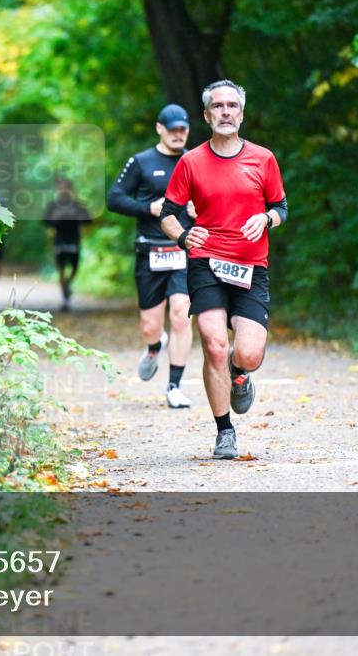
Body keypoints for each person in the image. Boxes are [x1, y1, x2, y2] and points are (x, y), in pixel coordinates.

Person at [160, 80, 288, 459]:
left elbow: (282, 208)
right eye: (218, 106)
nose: (226, 112)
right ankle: (224, 431)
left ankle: (240, 372)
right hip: (207, 264)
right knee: (214, 344)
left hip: (251, 266)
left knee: (247, 352)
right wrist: (184, 237)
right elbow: (169, 214)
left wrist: (265, 220)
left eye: (232, 106)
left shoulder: (263, 159)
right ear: (206, 115)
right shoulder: (191, 162)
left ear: (242, 114)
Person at [107, 104, 196, 409]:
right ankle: (154, 345)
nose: (177, 135)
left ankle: (174, 385)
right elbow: (114, 198)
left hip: (184, 250)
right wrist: (149, 208)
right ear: (160, 128)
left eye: (182, 129)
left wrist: (201, 211)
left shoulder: (195, 161)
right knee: (150, 325)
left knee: (182, 313)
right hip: (150, 250)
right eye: (172, 129)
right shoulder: (141, 162)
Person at [43, 177, 92, 311]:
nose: (63, 189)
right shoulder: (53, 205)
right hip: (59, 239)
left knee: (75, 268)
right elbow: (45, 221)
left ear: (70, 189)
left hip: (74, 239)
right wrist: (54, 219)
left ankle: (67, 284)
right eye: (61, 187)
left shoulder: (77, 204)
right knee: (61, 268)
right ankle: (65, 298)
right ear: (58, 189)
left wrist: (79, 217)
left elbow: (88, 219)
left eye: (66, 187)